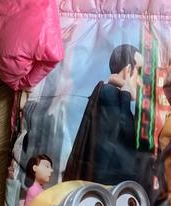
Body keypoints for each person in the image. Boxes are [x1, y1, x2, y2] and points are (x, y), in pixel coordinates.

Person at [62, 44, 147, 187]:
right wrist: (126, 92)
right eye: (139, 72)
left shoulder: (109, 93)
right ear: (127, 70)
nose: (140, 82)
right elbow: (125, 136)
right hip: (106, 190)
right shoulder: (110, 94)